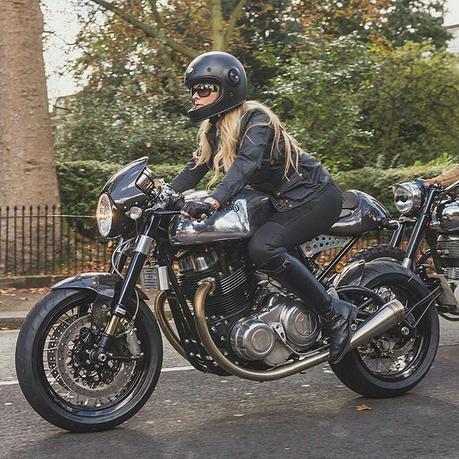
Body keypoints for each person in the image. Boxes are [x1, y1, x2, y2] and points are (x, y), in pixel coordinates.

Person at [170, 51, 358, 364]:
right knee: (235, 247)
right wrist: (161, 195)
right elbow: (195, 168)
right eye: (194, 90)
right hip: (282, 201)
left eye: (204, 88)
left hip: (313, 197)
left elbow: (246, 163)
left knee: (263, 248)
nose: (196, 96)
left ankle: (333, 313)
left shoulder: (256, 120)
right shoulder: (215, 129)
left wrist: (214, 198)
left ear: (226, 87)